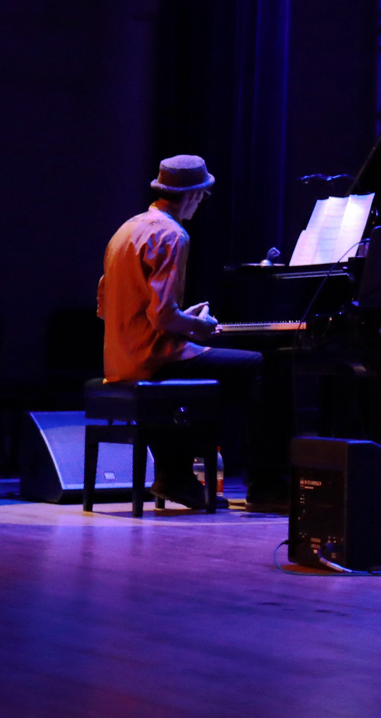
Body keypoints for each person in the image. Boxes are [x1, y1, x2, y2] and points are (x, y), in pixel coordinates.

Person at [95, 155, 261, 510]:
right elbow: (161, 317)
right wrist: (199, 325)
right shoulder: (173, 234)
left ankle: (175, 471)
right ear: (194, 195)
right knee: (256, 366)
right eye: (203, 196)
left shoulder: (127, 230)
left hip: (120, 359)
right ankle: (265, 484)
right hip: (153, 359)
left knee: (219, 373)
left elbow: (111, 307)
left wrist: (182, 318)